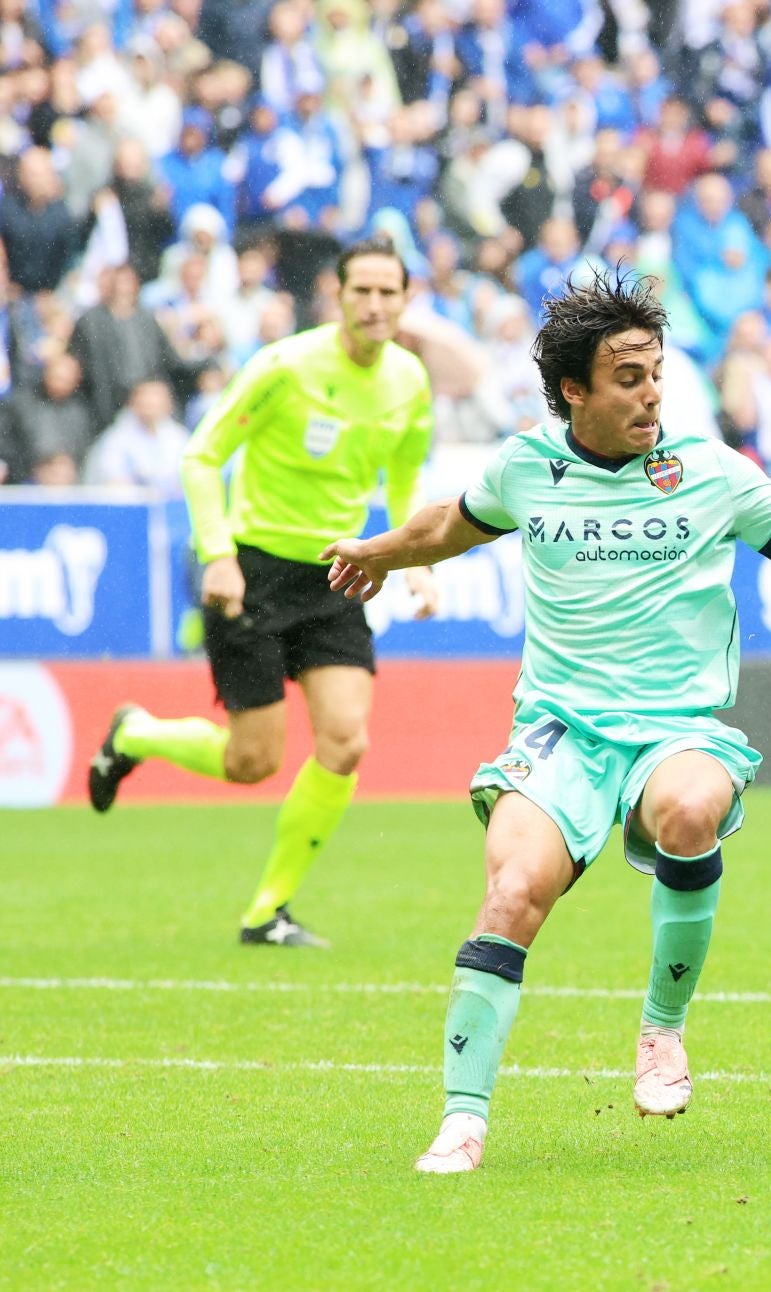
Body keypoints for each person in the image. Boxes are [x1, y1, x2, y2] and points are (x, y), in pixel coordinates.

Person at [318, 271, 771, 1174]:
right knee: (511, 898)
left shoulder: (711, 472)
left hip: (676, 726)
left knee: (688, 810)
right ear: (574, 392)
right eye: (627, 377)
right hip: (561, 731)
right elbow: (451, 525)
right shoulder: (528, 467)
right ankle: (463, 1118)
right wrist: (378, 553)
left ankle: (661, 1032)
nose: (651, 392)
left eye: (656, 372)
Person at [86, 237, 440, 948]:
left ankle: (266, 911)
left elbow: (403, 480)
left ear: (406, 300)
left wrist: (415, 560)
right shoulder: (285, 367)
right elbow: (202, 454)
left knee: (345, 742)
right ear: (336, 298)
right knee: (254, 761)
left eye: (388, 292)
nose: (374, 304)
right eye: (361, 291)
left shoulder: (408, 380)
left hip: (338, 572)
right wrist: (217, 556)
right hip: (252, 571)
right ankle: (135, 734)